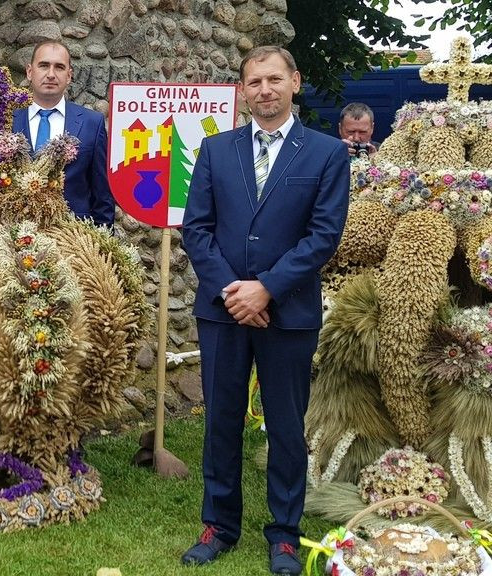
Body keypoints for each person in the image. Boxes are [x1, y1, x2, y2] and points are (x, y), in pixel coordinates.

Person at [180, 46, 349, 576]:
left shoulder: (325, 154)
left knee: (284, 425)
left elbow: (324, 236)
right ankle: (219, 526)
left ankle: (283, 534)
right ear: (243, 90)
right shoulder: (215, 149)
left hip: (289, 314)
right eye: (254, 82)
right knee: (222, 423)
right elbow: (197, 229)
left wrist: (267, 290)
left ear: (295, 82)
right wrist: (236, 290)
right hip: (222, 311)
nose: (264, 90)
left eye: (274, 80)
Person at [11, 39, 114, 227]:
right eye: (43, 65)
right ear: (29, 72)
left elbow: (103, 196)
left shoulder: (92, 123)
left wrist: (101, 248)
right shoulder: (8, 121)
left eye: (59, 67)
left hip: (74, 239)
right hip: (16, 234)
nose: (51, 74)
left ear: (69, 75)